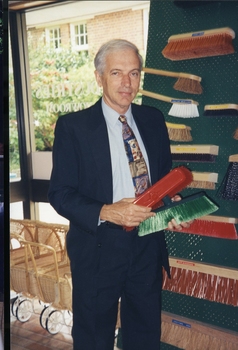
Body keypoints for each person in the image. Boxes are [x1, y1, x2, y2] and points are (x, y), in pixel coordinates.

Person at [48, 39, 190, 350]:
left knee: (144, 334)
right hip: (98, 248)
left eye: (134, 73)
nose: (127, 83)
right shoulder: (74, 127)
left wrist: (170, 206)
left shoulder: (153, 120)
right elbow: (59, 194)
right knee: (94, 338)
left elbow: (162, 180)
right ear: (99, 77)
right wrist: (108, 211)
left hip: (147, 245)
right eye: (116, 73)